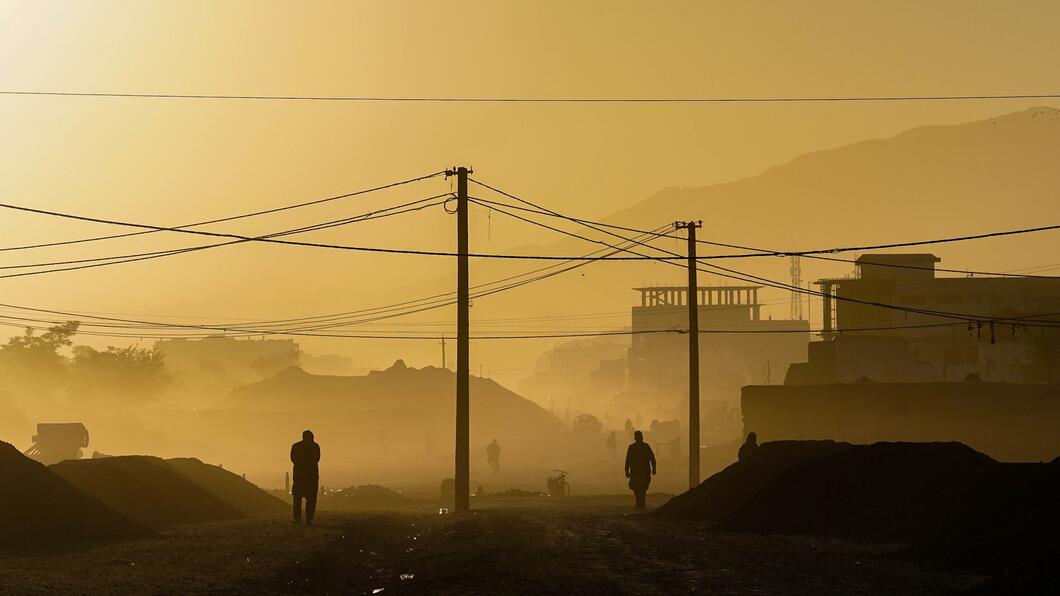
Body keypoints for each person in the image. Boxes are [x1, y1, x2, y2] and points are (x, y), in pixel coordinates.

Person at [290, 430, 321, 526]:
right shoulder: (315, 447)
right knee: (311, 500)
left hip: (299, 477)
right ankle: (309, 519)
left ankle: (298, 518)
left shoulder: (296, 446)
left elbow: (293, 459)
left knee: (297, 499)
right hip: (311, 478)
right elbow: (317, 459)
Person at [624, 430, 656, 511]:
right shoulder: (636, 447)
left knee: (641, 488)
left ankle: (640, 503)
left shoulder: (643, 447)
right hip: (638, 472)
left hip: (641, 472)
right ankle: (640, 502)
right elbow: (628, 460)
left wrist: (654, 467)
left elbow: (652, 458)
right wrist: (626, 470)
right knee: (638, 488)